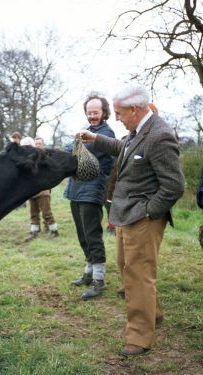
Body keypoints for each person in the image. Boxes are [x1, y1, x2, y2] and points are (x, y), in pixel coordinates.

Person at [79, 84, 185, 355]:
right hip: (126, 216)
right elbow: (124, 148)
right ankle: (154, 313)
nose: (116, 118)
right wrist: (95, 139)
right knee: (128, 268)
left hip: (143, 218)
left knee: (138, 275)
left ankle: (139, 336)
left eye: (118, 113)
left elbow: (174, 185)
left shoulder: (159, 135)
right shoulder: (137, 131)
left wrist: (150, 211)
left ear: (135, 110)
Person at [64, 94, 115, 300]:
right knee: (82, 234)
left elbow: (80, 149)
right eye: (89, 112)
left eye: (96, 112)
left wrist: (77, 143)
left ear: (104, 113)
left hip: (92, 191)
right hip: (76, 190)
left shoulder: (105, 133)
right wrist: (75, 144)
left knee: (93, 235)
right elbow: (69, 149)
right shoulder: (87, 131)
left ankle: (99, 280)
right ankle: (88, 272)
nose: (92, 115)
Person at [24, 136, 59, 241]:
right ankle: (34, 231)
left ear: (43, 145)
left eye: (39, 143)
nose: (37, 145)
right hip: (32, 190)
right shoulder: (31, 157)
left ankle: (54, 231)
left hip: (43, 190)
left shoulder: (47, 156)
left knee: (46, 212)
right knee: (33, 213)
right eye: (36, 143)